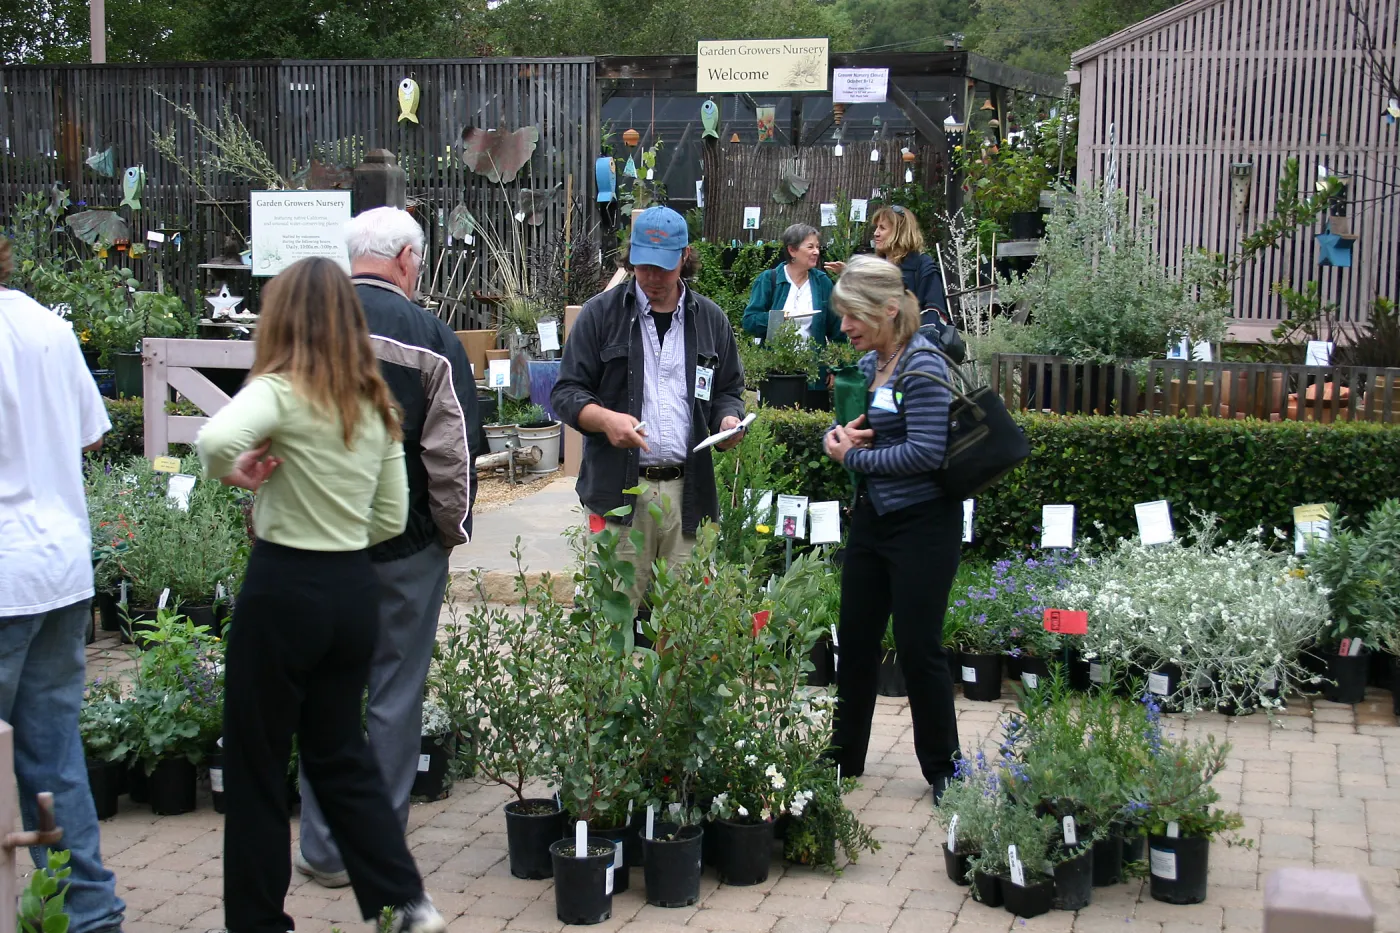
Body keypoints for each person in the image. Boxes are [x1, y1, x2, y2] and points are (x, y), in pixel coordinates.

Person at [198, 257, 445, 933]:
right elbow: (392, 517)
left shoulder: (281, 388)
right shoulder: (374, 405)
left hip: (284, 585)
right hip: (352, 590)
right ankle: (403, 900)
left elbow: (214, 438)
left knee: (255, 761)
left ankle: (259, 921)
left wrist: (241, 472)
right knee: (340, 754)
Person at [294, 206, 482, 890]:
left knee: (325, 691)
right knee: (395, 695)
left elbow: (267, 435)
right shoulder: (430, 337)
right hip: (404, 549)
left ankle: (321, 848)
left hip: (315, 546)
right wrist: (447, 532)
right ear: (406, 258)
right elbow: (451, 456)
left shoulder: (306, 328)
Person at [0, 235, 126, 933]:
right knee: (54, 752)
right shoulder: (48, 325)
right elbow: (90, 434)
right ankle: (86, 909)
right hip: (59, 567)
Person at [552, 206, 747, 631]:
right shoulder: (601, 315)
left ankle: (675, 701)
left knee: (685, 628)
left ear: (685, 257)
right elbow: (566, 393)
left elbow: (728, 390)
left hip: (689, 495)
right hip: (619, 495)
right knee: (611, 623)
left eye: (662, 267)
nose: (652, 278)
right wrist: (605, 420)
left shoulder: (710, 320)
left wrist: (729, 421)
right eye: (642, 265)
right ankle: (609, 699)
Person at [820, 254, 961, 800]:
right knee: (854, 641)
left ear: (889, 309)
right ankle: (842, 759)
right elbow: (879, 435)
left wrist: (850, 460)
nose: (846, 327)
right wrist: (841, 439)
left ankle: (945, 770)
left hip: (924, 525)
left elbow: (926, 452)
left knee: (918, 645)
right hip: (876, 522)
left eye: (854, 316)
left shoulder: (923, 364)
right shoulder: (877, 364)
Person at [741, 223, 847, 408]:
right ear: (792, 250)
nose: (816, 252)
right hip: (776, 373)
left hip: (814, 375)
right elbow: (749, 321)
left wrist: (836, 367)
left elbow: (837, 329)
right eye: (810, 247)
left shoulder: (823, 283)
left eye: (817, 247)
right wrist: (779, 318)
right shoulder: (769, 279)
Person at [825, 204, 948, 325]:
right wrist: (851, 275)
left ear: (900, 232)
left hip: (914, 342)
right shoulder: (875, 266)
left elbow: (934, 312)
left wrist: (919, 342)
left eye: (882, 228)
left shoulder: (922, 265)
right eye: (876, 228)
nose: (876, 233)